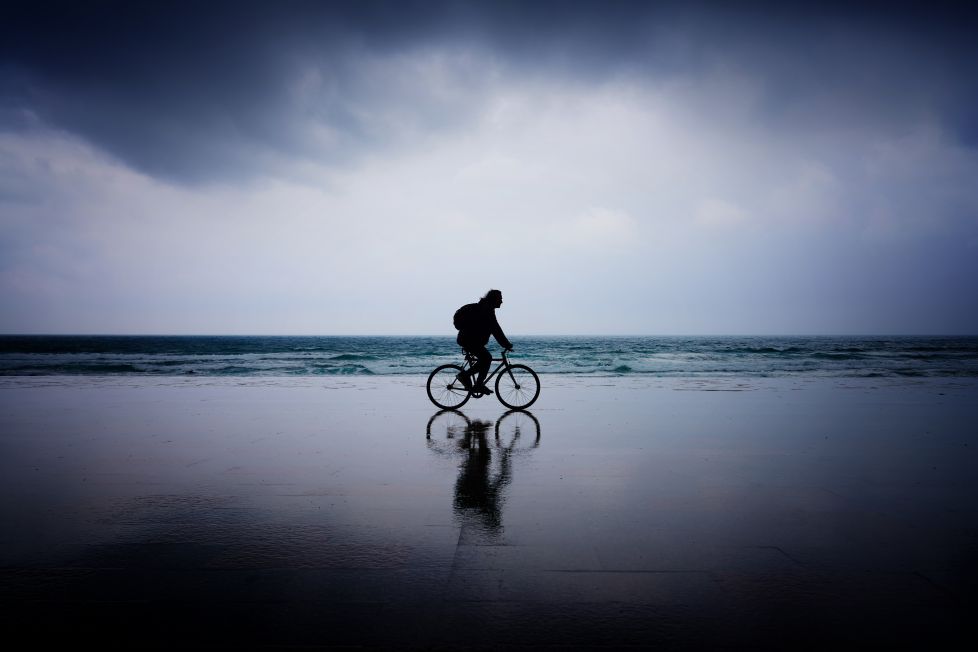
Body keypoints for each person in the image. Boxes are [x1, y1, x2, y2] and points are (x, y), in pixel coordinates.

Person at [456, 289, 512, 395]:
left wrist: (505, 344)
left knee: (484, 359)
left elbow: (495, 329)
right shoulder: (486, 311)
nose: (501, 301)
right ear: (494, 299)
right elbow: (496, 330)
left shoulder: (485, 308)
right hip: (469, 340)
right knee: (487, 358)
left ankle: (476, 383)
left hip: (469, 340)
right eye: (500, 299)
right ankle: (471, 380)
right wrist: (506, 344)